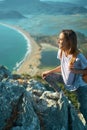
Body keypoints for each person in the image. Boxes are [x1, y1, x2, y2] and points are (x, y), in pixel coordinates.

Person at [42, 29, 87, 123]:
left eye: (61, 39)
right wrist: (49, 72)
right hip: (65, 80)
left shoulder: (79, 57)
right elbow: (63, 66)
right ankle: (62, 96)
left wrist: (76, 70)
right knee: (47, 77)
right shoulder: (61, 51)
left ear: (69, 42)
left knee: (83, 109)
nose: (58, 41)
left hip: (79, 86)